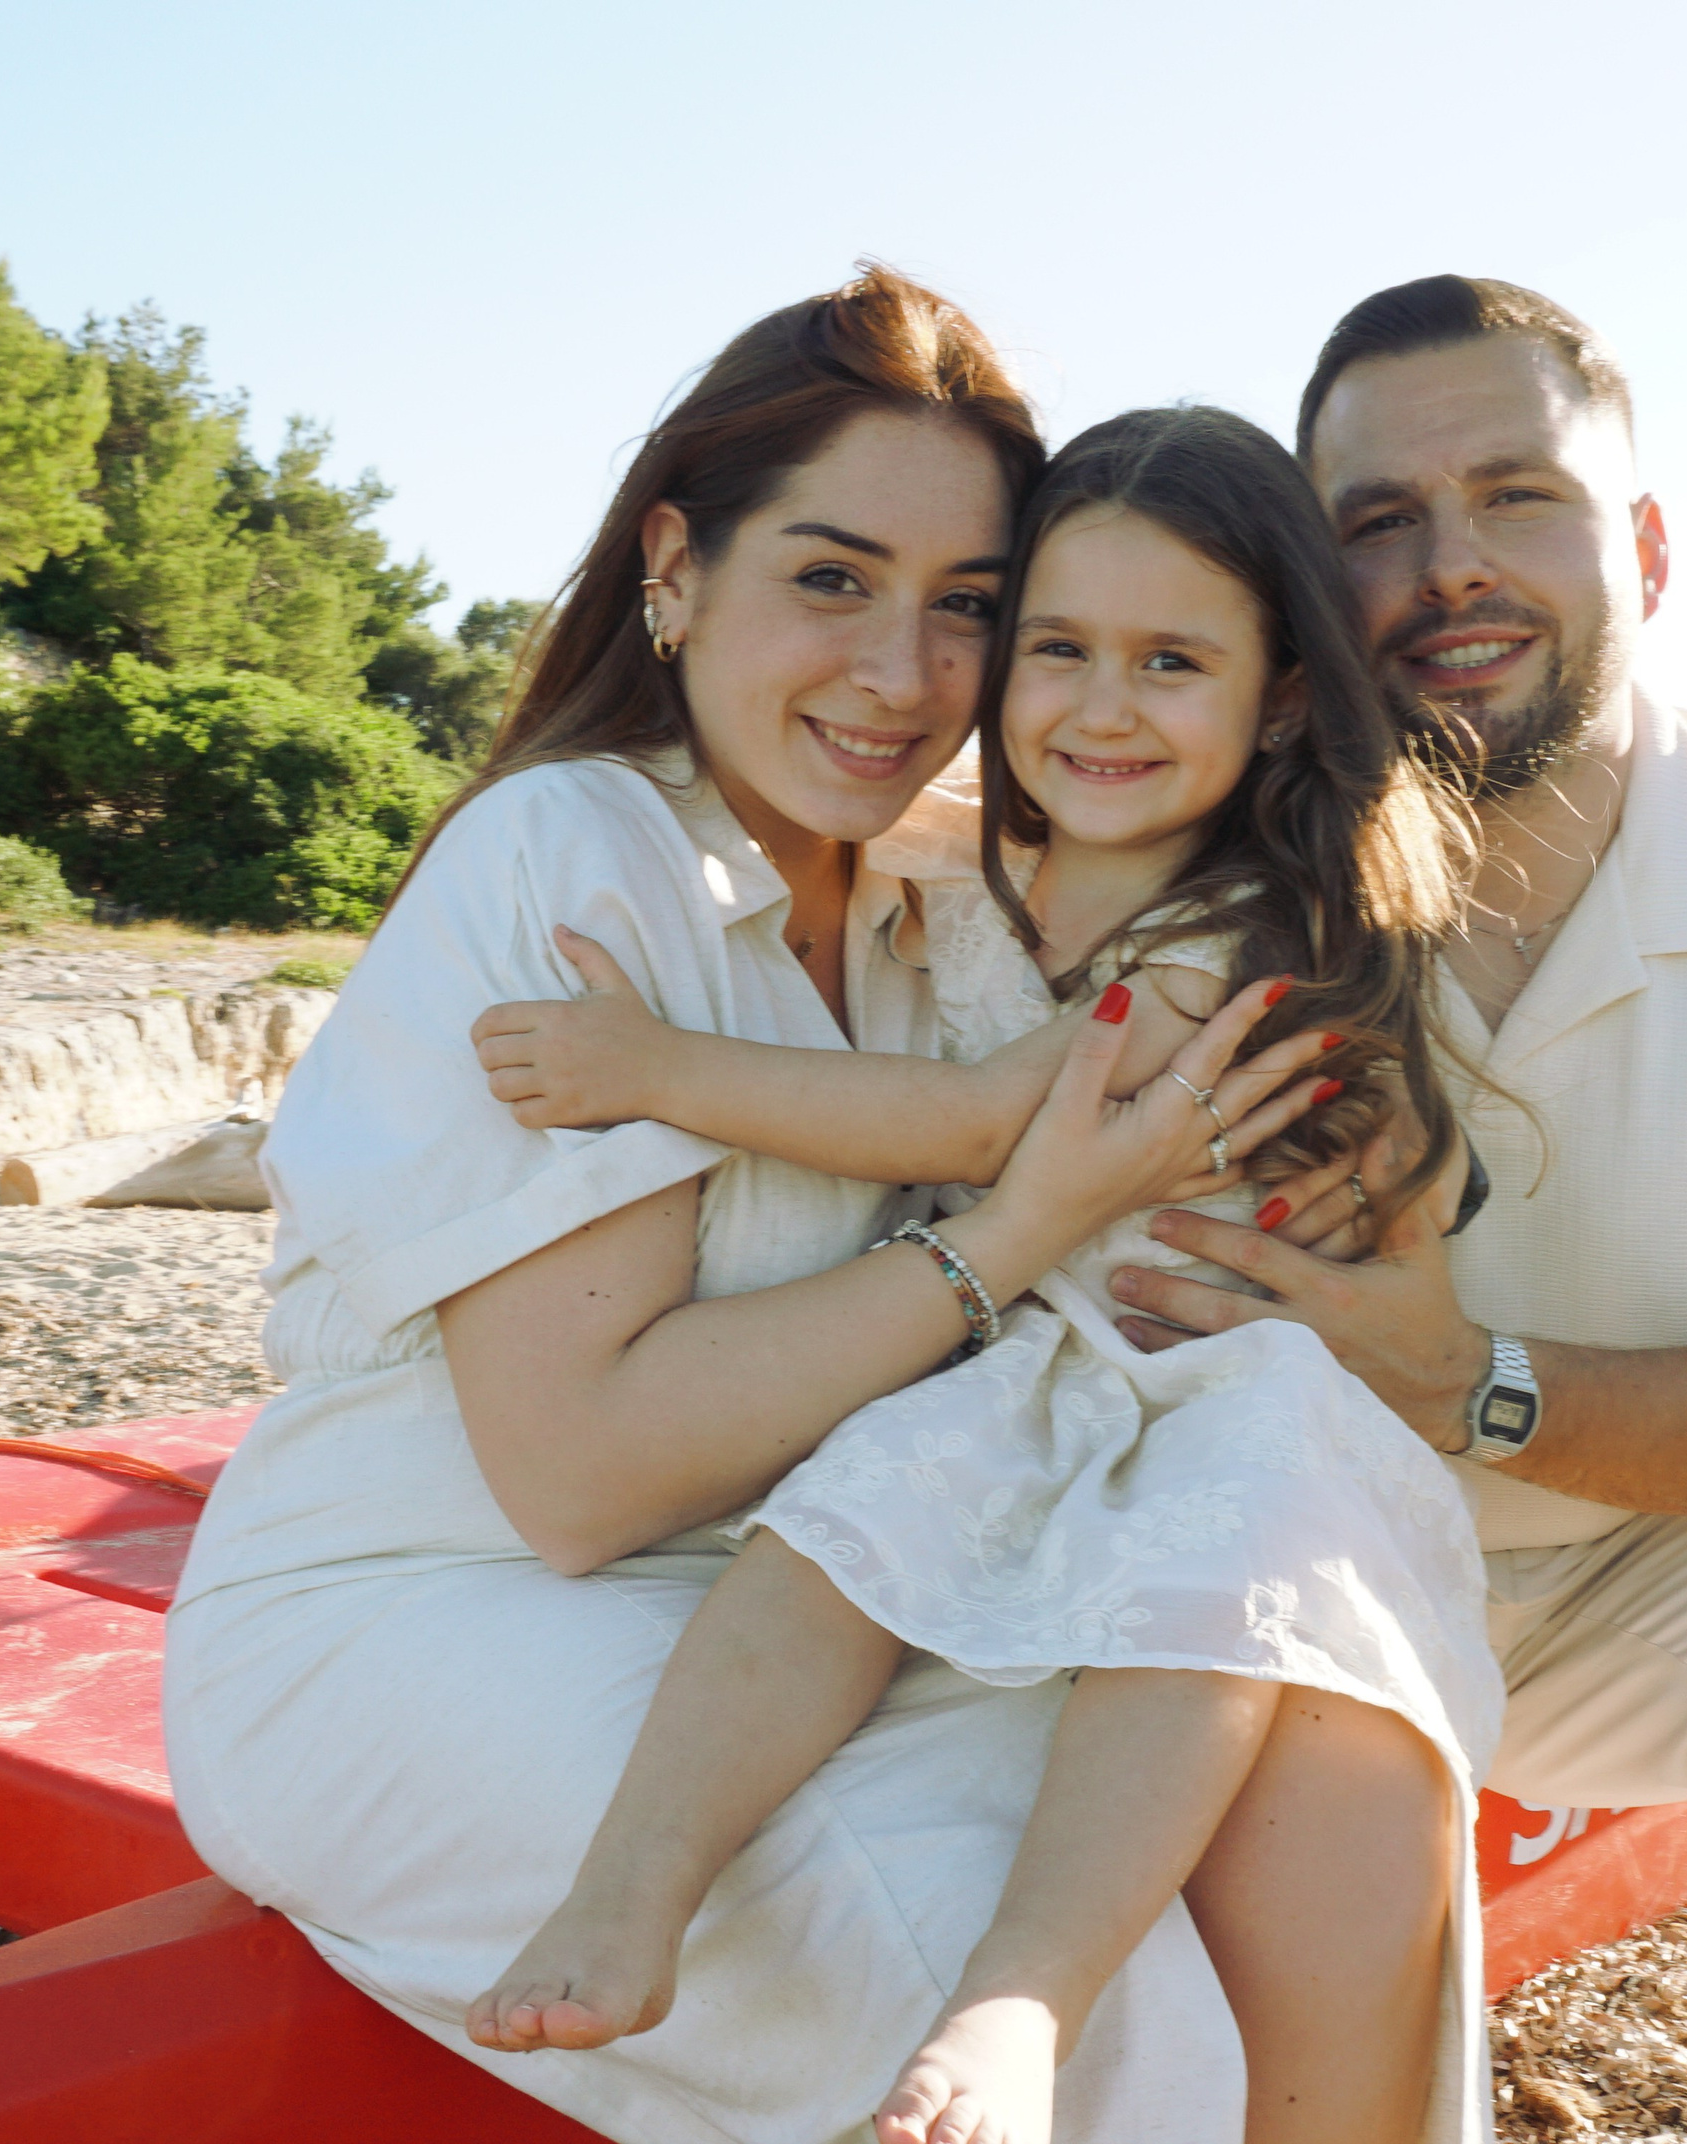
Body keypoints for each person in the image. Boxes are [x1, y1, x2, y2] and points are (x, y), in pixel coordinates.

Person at [160, 269, 1457, 2144]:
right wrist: (1011, 1238)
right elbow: (583, 1479)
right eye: (832, 579)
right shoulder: (581, 856)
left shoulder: (953, 898)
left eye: (968, 613)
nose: (901, 675)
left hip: (837, 1572)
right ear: (674, 570)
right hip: (455, 1606)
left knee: (1338, 1768)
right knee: (1105, 2041)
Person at [463, 406, 1501, 2144]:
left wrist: (653, 1068)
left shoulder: (1220, 937)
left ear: (1287, 700)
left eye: (1171, 661)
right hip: (1033, 1359)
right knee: (817, 1556)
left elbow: (964, 1119)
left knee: (1198, 1624)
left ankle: (1022, 1998)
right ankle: (630, 1894)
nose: (1100, 708)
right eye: (1055, 651)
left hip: (1212, 1388)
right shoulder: (1000, 870)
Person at [1102, 278, 1687, 2144]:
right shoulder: (1204, 853)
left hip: (1644, 1573)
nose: (1453, 568)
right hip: (1278, 1595)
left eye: (1519, 495)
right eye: (1379, 521)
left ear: (1650, 549)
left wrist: (1464, 1382)